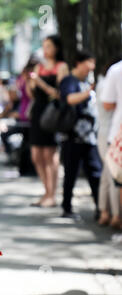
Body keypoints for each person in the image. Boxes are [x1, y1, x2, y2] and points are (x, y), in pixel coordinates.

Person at [59, 51, 101, 220]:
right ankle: (67, 207)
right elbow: (69, 99)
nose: (90, 67)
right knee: (71, 172)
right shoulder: (70, 81)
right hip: (73, 135)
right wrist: (88, 92)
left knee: (95, 171)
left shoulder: (85, 81)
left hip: (89, 136)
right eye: (88, 63)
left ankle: (100, 208)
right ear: (78, 62)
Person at [28, 35, 69, 207]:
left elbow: (59, 93)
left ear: (57, 48)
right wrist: (31, 82)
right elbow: (32, 93)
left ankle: (52, 194)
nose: (46, 50)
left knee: (50, 154)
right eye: (44, 46)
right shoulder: (39, 67)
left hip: (52, 114)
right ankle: (46, 191)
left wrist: (41, 83)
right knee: (36, 155)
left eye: (49, 46)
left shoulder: (62, 67)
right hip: (37, 112)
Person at [96, 56, 121, 227]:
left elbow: (107, 104)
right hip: (113, 133)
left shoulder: (116, 70)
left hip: (115, 134)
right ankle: (112, 215)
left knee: (114, 178)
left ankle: (112, 214)